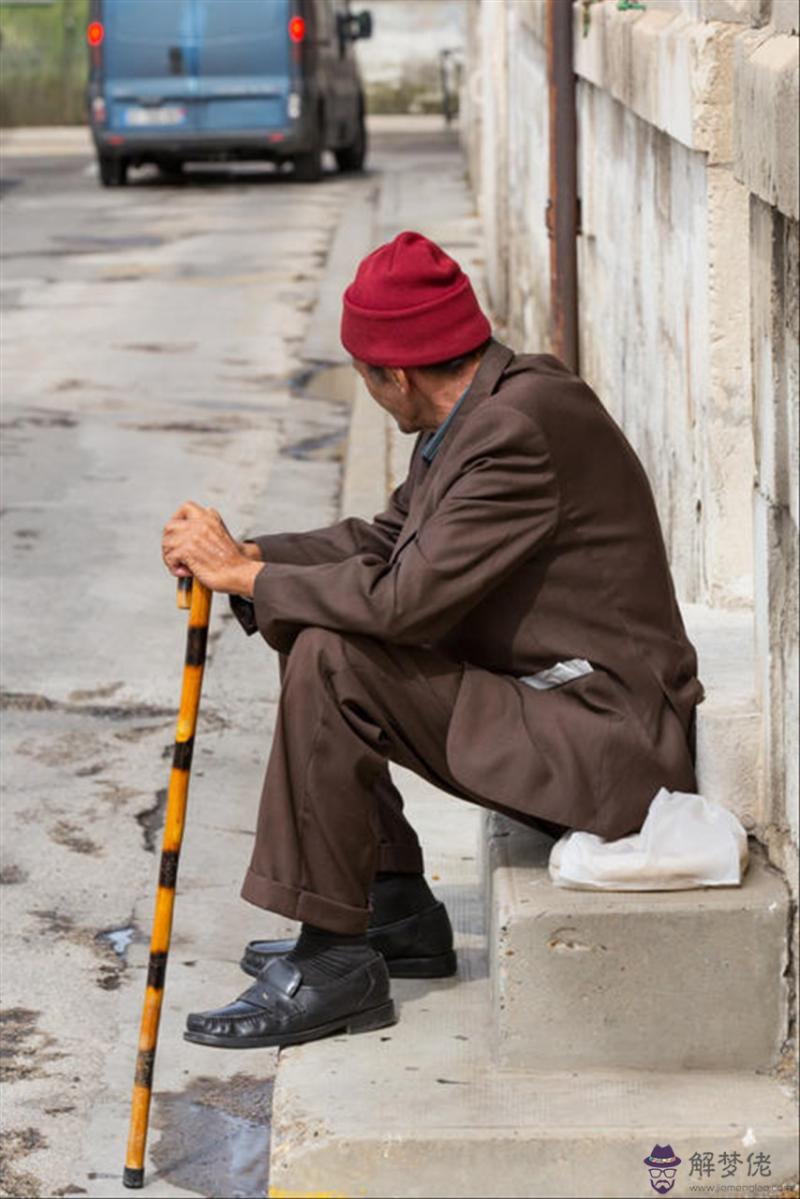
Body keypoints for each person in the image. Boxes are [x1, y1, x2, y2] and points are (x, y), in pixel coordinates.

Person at [161, 230, 703, 1050]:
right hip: (568, 714)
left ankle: (335, 958)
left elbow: (402, 603)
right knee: (319, 626)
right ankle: (391, 908)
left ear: (398, 374)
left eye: (366, 376)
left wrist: (246, 577)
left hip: (612, 745)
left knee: (334, 655)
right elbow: (384, 544)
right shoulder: (479, 413)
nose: (374, 392)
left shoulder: (515, 429)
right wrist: (250, 556)